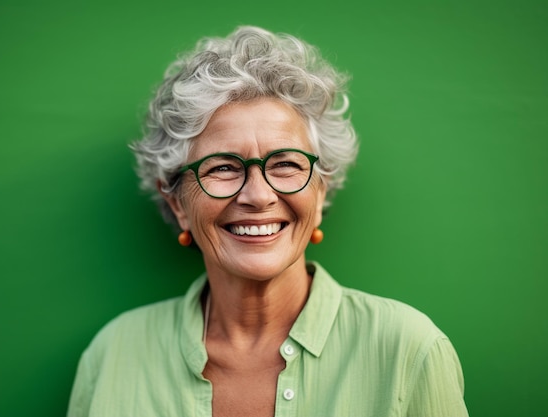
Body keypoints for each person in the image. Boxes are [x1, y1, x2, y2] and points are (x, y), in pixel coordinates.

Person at [67, 26, 469, 417]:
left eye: (286, 164)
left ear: (321, 188)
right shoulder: (113, 354)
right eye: (222, 167)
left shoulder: (408, 352)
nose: (258, 196)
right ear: (177, 203)